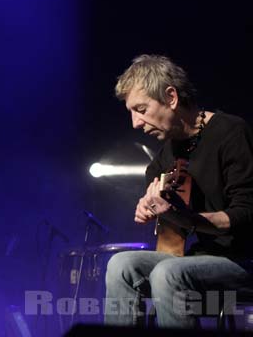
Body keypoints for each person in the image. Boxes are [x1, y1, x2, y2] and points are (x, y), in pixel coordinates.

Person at [104, 54, 253, 328]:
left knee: (167, 273)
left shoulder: (231, 133)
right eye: (131, 113)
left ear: (171, 98)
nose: (135, 123)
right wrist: (148, 205)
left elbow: (245, 214)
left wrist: (186, 218)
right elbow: (168, 219)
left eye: (141, 109)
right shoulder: (167, 154)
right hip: (197, 260)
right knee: (120, 265)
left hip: (243, 261)